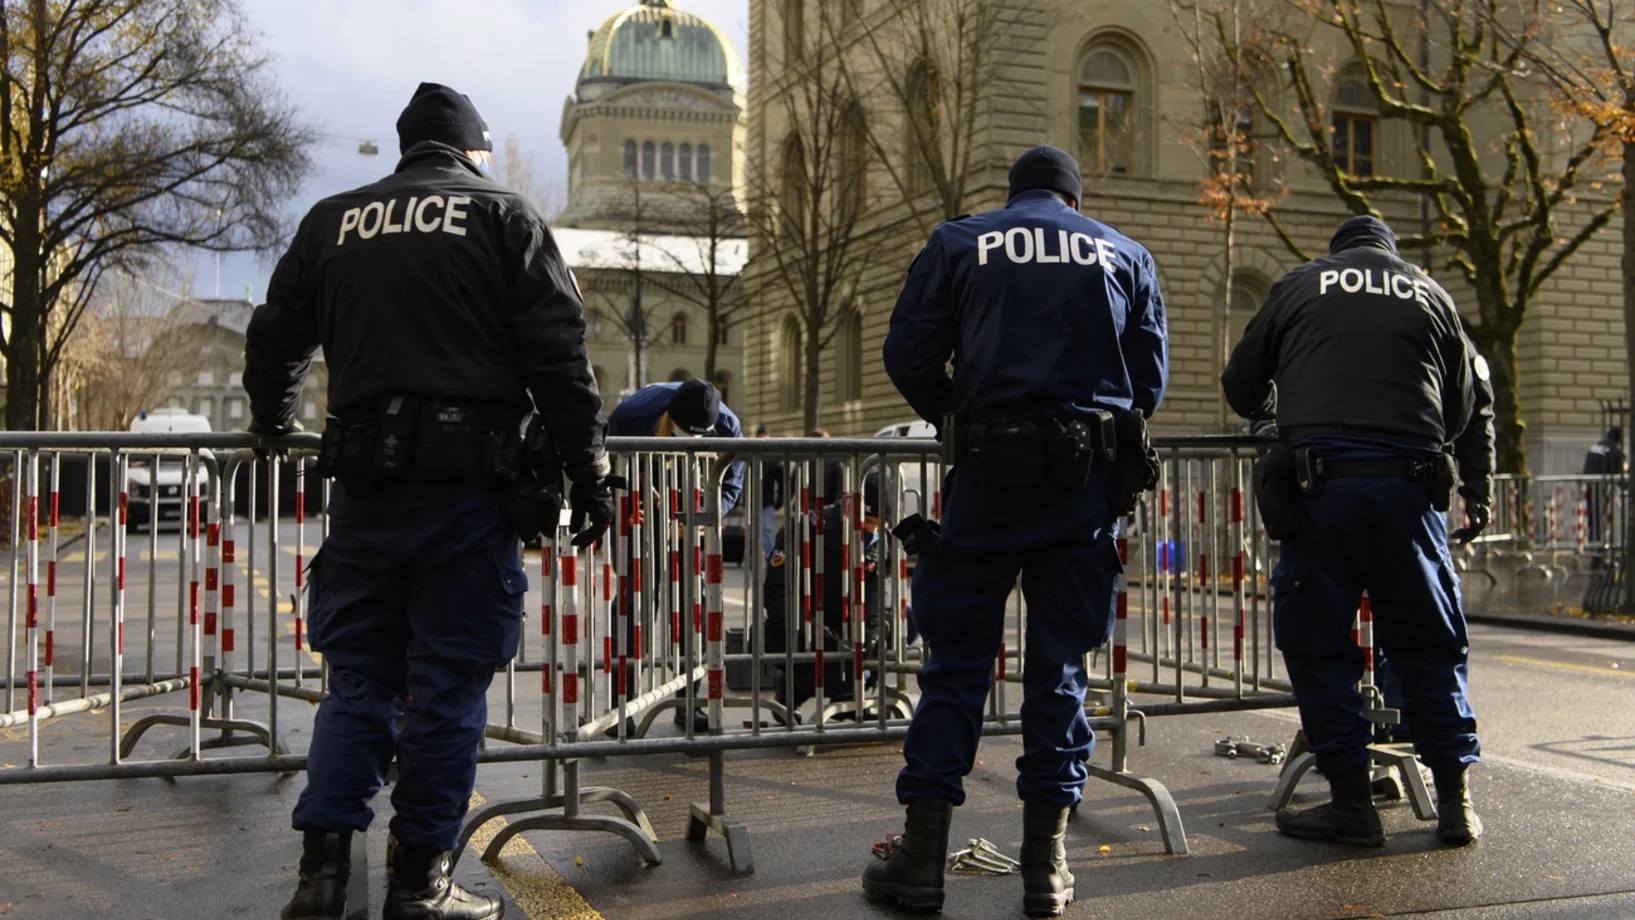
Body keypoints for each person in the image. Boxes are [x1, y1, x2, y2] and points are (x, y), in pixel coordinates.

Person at [245, 82, 614, 920]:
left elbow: (275, 337)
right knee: (447, 690)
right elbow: (559, 358)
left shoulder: (334, 220)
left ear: (410, 149)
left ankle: (322, 879)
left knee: (358, 683)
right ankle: (420, 885)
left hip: (366, 492)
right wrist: (588, 474)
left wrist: (272, 422)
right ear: (472, 151)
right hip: (466, 496)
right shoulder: (504, 217)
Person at [867, 145, 1168, 918]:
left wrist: (956, 416)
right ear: (1074, 197)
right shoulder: (1124, 252)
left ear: (1014, 194)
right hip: (1080, 493)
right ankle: (1047, 868)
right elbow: (1148, 383)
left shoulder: (960, 241)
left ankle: (923, 863)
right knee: (1060, 670)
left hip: (986, 485)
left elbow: (905, 352)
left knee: (956, 667)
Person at [1221, 214, 1493, 850]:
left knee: (1319, 647)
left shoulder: (1300, 284)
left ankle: (1350, 803)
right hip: (1411, 492)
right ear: (1389, 252)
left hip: (1325, 494)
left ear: (1337, 250)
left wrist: (1280, 414)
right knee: (1431, 644)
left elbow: (1240, 385)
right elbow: (1459, 409)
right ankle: (1454, 803)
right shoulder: (1432, 293)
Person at [607, 378, 744, 730]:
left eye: (700, 437)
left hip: (689, 509)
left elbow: (731, 482)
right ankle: (620, 708)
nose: (693, 442)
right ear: (668, 419)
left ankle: (689, 701)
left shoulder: (729, 427)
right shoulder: (632, 415)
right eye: (684, 433)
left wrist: (712, 513)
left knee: (691, 605)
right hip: (640, 502)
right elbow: (603, 466)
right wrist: (619, 503)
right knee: (633, 601)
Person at [763, 475, 883, 722]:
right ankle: (794, 690)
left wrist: (876, 627)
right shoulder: (802, 529)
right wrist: (812, 627)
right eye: (869, 522)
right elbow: (776, 595)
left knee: (907, 621)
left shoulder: (882, 540)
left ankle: (849, 695)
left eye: (880, 524)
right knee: (807, 644)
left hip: (851, 626)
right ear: (849, 511)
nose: (874, 531)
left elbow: (883, 594)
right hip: (806, 623)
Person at [1583, 427, 1625, 550]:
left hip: (1590, 485)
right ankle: (1599, 550)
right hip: (1600, 487)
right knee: (1599, 519)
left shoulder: (1596, 446)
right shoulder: (1615, 451)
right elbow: (1619, 474)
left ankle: (1594, 547)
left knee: (1593, 518)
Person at [756, 424, 784, 559]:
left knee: (765, 529)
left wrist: (780, 501)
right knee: (753, 530)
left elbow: (782, 481)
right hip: (754, 499)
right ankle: (753, 556)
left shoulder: (774, 459)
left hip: (767, 500)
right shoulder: (752, 455)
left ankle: (770, 556)